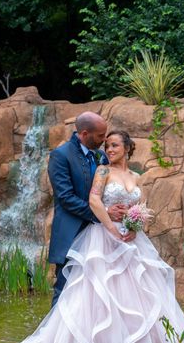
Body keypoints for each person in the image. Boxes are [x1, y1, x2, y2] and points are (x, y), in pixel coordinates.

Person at [0, 131, 184, 343]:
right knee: (98, 295)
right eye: (107, 145)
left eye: (114, 145)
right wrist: (112, 227)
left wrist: (136, 225)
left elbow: (141, 207)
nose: (109, 149)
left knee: (137, 294)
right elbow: (94, 200)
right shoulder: (103, 171)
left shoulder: (136, 177)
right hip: (104, 236)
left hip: (132, 241)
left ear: (127, 148)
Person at [47, 111, 130, 308]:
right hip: (71, 233)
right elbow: (65, 198)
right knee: (65, 290)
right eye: (101, 136)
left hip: (100, 238)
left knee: (97, 293)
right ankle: (55, 339)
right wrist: (104, 212)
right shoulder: (60, 156)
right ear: (84, 134)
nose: (104, 140)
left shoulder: (101, 157)